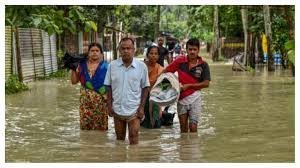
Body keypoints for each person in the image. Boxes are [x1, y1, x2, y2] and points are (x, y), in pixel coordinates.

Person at [104, 37, 150, 145]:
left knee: (133, 138)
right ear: (119, 50)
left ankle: (134, 161)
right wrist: (109, 105)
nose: (126, 51)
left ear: (134, 50)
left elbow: (145, 87)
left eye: (128, 48)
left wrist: (142, 108)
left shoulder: (141, 67)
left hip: (134, 109)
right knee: (119, 139)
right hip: (117, 109)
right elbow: (108, 86)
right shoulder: (112, 66)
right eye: (123, 48)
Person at [161, 38, 211, 133]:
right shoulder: (180, 61)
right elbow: (165, 72)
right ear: (186, 50)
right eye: (190, 49)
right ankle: (185, 147)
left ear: (198, 50)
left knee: (193, 127)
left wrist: (189, 86)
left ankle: (192, 147)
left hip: (196, 98)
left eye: (194, 49)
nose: (192, 52)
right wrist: (162, 87)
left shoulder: (204, 65)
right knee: (183, 129)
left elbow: (206, 84)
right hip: (181, 98)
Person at [70, 42, 109, 130]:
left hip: (102, 103)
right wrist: (73, 69)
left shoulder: (107, 67)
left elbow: (112, 86)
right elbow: (74, 81)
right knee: (85, 129)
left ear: (101, 53)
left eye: (97, 51)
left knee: (101, 129)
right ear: (88, 53)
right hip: (85, 103)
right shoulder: (81, 65)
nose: (95, 52)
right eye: (92, 51)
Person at [141, 46, 164, 128]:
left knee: (155, 124)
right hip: (141, 98)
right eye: (151, 53)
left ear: (158, 56)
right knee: (143, 124)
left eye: (156, 54)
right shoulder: (141, 67)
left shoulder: (161, 69)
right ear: (147, 55)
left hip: (155, 98)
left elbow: (162, 87)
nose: (153, 55)